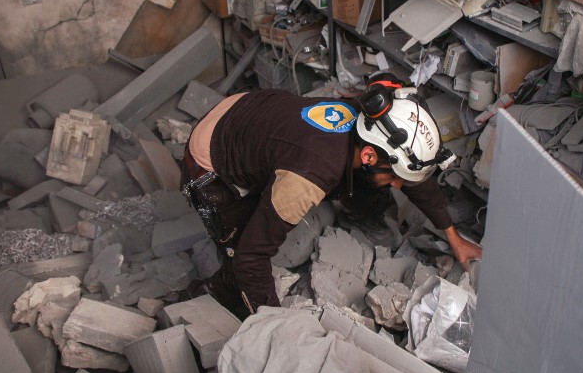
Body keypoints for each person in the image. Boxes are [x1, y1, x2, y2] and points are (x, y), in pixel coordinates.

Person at [180, 75, 483, 315]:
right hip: (212, 160)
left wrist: (454, 238)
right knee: (242, 257)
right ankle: (220, 292)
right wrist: (274, 324)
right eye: (395, 177)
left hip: (255, 110)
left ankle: (360, 213)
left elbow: (413, 177)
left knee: (371, 183)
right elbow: (252, 257)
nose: (398, 185)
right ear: (368, 154)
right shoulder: (309, 176)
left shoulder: (372, 124)